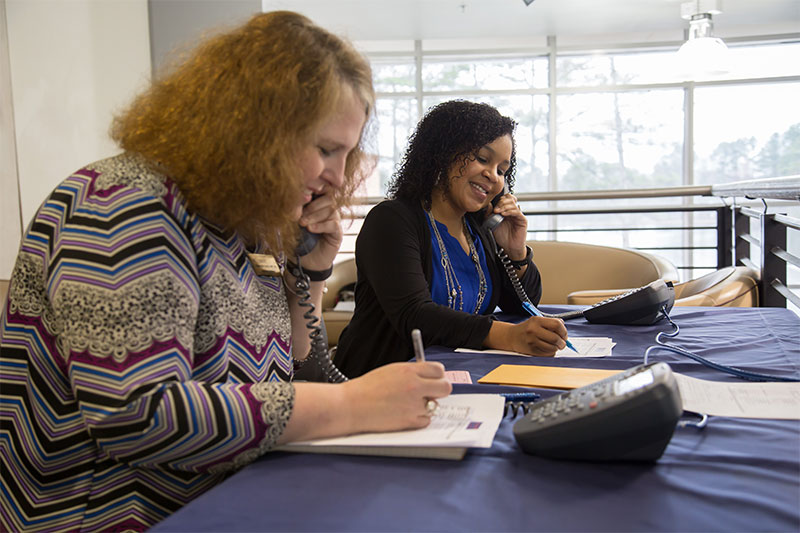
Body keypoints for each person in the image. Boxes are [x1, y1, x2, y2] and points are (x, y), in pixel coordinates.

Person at [0, 11, 451, 533]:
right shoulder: (123, 205)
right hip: (111, 514)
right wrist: (351, 403)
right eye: (325, 148)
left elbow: (293, 372)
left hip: (234, 492)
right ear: (250, 129)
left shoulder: (245, 220)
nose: (336, 177)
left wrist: (312, 270)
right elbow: (139, 415)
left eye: (346, 153)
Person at [335, 100, 570, 378]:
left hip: (462, 377)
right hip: (384, 381)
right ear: (444, 153)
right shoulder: (392, 221)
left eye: (501, 170)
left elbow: (523, 306)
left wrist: (516, 251)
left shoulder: (479, 229)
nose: (493, 176)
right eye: (483, 159)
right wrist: (509, 336)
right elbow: (415, 316)